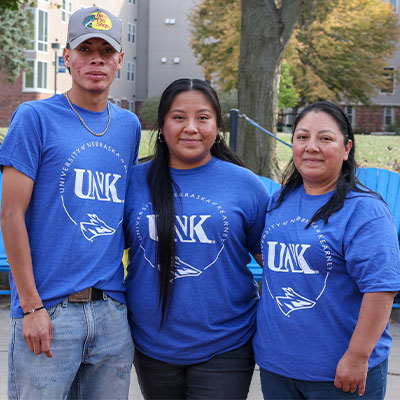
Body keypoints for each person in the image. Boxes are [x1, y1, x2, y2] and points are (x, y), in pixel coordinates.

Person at [0, 6, 141, 399]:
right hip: (49, 310)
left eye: (106, 51)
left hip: (111, 310)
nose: (96, 58)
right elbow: (11, 215)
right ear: (66, 57)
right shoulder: (34, 117)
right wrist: (30, 307)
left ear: (119, 62)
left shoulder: (127, 126)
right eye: (85, 48)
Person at [123, 78, 269, 399]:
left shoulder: (246, 185)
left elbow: (274, 266)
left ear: (217, 126)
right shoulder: (134, 181)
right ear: (162, 125)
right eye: (178, 117)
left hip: (226, 344)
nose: (191, 127)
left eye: (203, 118)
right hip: (151, 344)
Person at [253, 101, 400, 399]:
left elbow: (381, 290)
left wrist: (357, 356)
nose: (311, 147)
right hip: (277, 367)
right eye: (302, 137)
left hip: (340, 373)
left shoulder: (365, 211)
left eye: (325, 138)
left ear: (346, 149)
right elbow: (269, 261)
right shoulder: (279, 201)